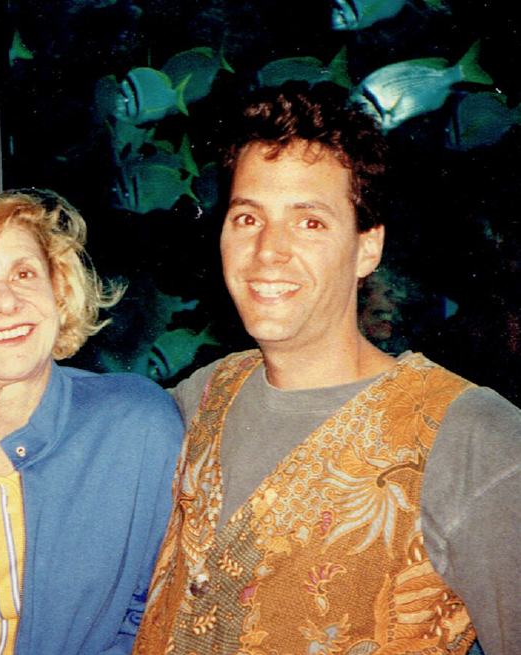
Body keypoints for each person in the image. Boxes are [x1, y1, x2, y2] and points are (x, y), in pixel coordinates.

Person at [131, 84, 521, 655]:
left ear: (367, 247)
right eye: (246, 218)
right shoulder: (202, 394)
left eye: (309, 222)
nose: (268, 251)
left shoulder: (475, 439)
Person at [0, 189, 184, 655]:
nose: (5, 303)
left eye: (23, 273)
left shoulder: (138, 425)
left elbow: (160, 610)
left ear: (58, 290)